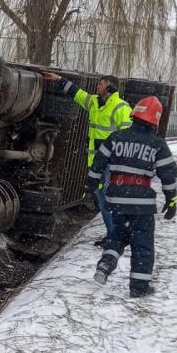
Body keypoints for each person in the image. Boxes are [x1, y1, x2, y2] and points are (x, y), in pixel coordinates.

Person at [88, 96, 177, 298]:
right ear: (155, 120)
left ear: (134, 114)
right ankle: (139, 287)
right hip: (141, 203)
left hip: (116, 198)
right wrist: (171, 200)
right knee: (142, 244)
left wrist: (91, 188)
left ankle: (105, 264)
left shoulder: (115, 137)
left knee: (119, 235)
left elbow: (97, 165)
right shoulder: (157, 144)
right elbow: (169, 175)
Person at [42, 71, 133, 247]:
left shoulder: (122, 108)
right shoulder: (94, 103)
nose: (97, 86)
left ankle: (118, 237)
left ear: (109, 85)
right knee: (103, 201)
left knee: (111, 201)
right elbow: (77, 93)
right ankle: (113, 235)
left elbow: (129, 138)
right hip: (97, 164)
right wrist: (60, 80)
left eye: (100, 84)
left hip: (112, 165)